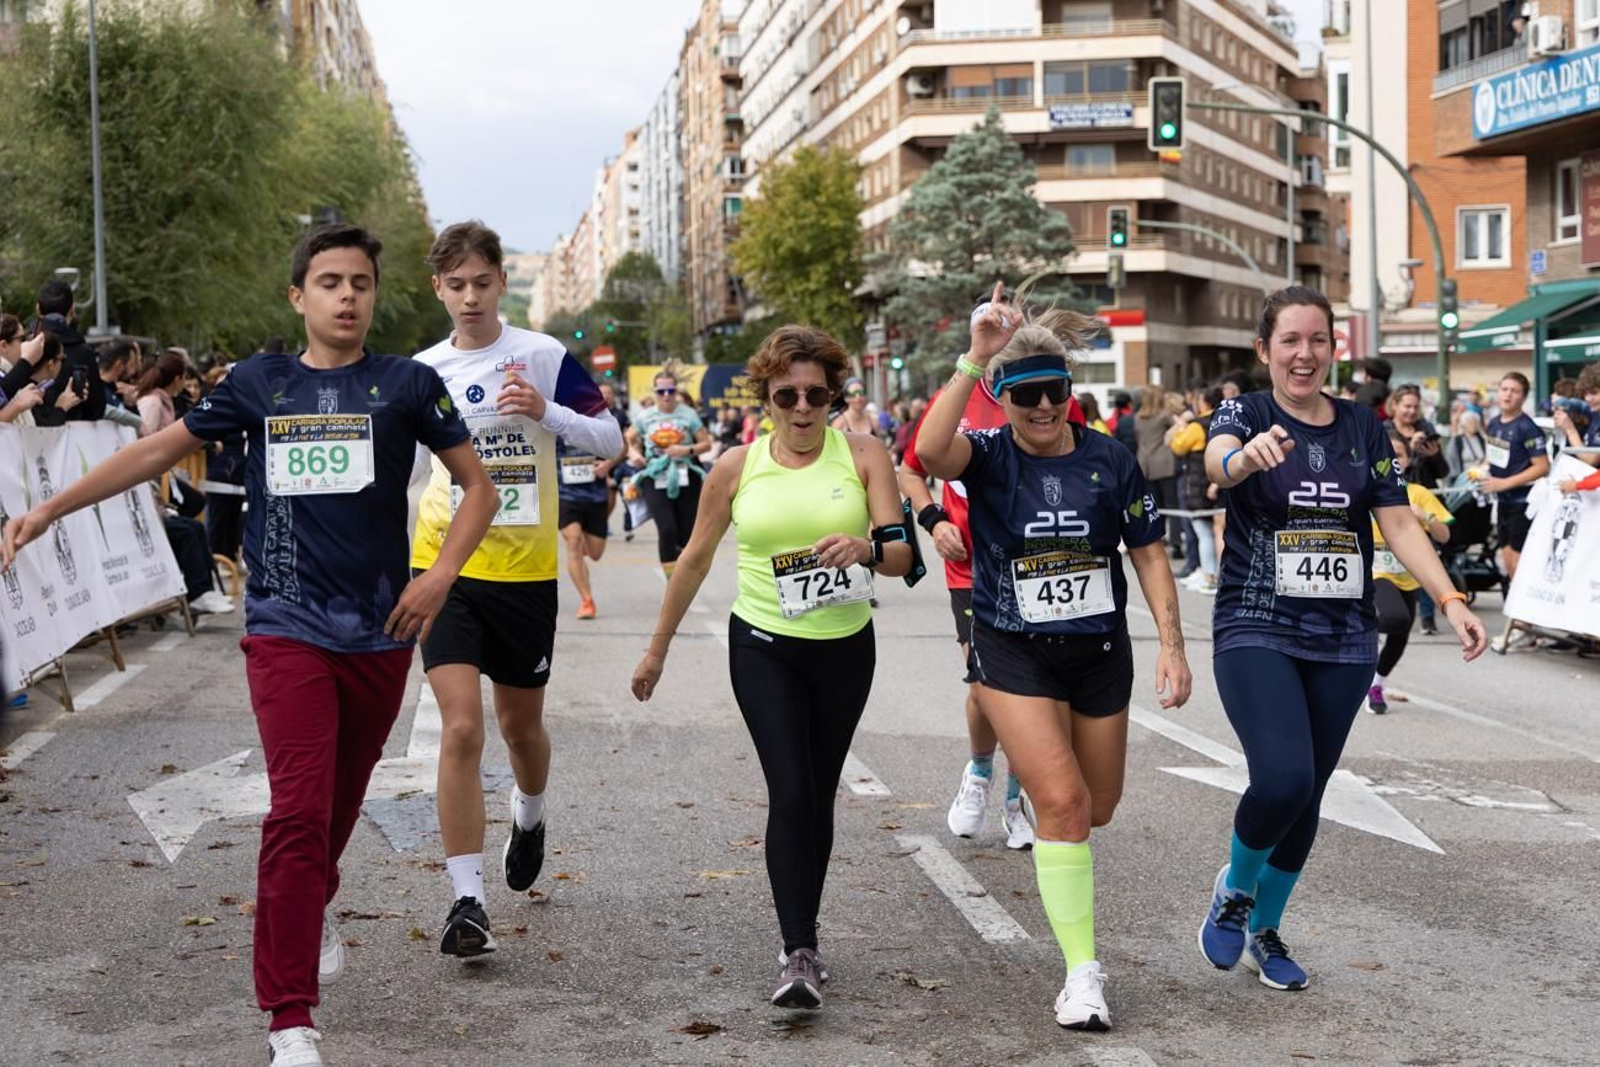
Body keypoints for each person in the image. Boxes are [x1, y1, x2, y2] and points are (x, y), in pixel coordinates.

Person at [2, 223, 496, 1067]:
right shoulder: (260, 384)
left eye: (362, 283)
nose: (348, 295)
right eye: (331, 281)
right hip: (284, 627)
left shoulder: (407, 384)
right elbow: (158, 447)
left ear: (375, 295)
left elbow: (477, 487)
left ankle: (312, 904)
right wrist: (49, 509)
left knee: (336, 811)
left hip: (381, 630)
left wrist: (441, 573)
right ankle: (290, 1018)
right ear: (298, 296)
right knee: (298, 811)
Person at [912, 283, 1192, 1033]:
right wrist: (975, 357)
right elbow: (929, 453)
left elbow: (1150, 554)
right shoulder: (990, 456)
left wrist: (1172, 645)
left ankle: (1046, 792)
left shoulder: (1110, 457)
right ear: (1002, 398)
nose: (1042, 408)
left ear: (1073, 392)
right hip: (1011, 652)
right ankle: (1082, 974)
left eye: (1055, 393)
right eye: (1026, 394)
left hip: (1098, 654)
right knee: (1065, 804)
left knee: (1095, 807)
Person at [1198, 286, 1486, 993]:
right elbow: (1217, 463)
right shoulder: (1245, 411)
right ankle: (1234, 889)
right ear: (1265, 349)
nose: (1305, 353)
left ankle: (1265, 929)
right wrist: (1243, 461)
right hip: (1256, 620)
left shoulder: (1362, 425)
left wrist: (1448, 597)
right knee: (1283, 776)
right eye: (1290, 340)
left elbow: (1398, 522)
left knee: (1309, 792)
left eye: (1318, 339)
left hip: (1343, 634)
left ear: (1334, 347)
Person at [631, 325, 912, 1011]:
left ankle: (802, 935)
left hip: (846, 645)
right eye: (787, 393)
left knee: (817, 794)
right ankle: (799, 949)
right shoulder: (735, 465)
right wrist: (657, 647)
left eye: (817, 393)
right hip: (762, 643)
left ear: (834, 394)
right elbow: (695, 557)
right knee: (789, 789)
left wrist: (865, 547)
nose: (804, 406)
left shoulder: (866, 453)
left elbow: (902, 556)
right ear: (766, 397)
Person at [410, 221, 622, 958]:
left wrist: (546, 413)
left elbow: (613, 440)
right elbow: (408, 474)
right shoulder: (422, 368)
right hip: (445, 565)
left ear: (502, 281)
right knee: (461, 726)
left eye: (481, 283)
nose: (469, 298)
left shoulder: (543, 354)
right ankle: (467, 901)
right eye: (455, 285)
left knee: (519, 729)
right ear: (438, 288)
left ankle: (529, 812)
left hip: (525, 571)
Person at [899, 292, 1086, 852]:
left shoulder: (1055, 400)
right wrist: (934, 523)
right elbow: (912, 471)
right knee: (987, 687)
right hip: (972, 569)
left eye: (1014, 327)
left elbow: (1080, 464)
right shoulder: (957, 397)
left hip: (1038, 566)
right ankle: (980, 771)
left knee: (1039, 692)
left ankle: (1016, 797)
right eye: (994, 327)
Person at [1367, 429, 1454, 713]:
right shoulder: (1362, 489)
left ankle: (1376, 685)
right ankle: (1351, 628)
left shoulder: (1418, 493)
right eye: (1387, 452)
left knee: (1400, 632)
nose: (1393, 458)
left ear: (1405, 460)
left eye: (1399, 454)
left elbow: (1444, 537)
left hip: (1408, 575)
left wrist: (1424, 516)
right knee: (1394, 618)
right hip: (1374, 571)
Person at [626, 369, 712, 576]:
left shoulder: (688, 414)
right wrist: (634, 453)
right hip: (654, 474)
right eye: (661, 391)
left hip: (685, 475)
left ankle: (683, 572)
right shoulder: (645, 416)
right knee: (666, 529)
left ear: (676, 391)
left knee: (685, 534)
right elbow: (628, 439)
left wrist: (685, 450)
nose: (666, 395)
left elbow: (706, 443)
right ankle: (671, 580)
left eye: (670, 391)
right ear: (655, 392)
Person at [1477, 372, 1549, 582]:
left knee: (1519, 566)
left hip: (1523, 502)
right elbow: (1492, 458)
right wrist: (1480, 470)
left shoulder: (1527, 427)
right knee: (1508, 564)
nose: (1508, 395)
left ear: (1523, 397)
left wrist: (1505, 483)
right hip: (1502, 503)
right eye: (1504, 389)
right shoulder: (1493, 424)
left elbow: (1542, 466)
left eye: (1514, 391)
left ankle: (1522, 613)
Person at [557, 433, 622, 619]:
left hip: (595, 496)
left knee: (595, 554)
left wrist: (608, 464)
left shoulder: (595, 417)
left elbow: (621, 445)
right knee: (573, 542)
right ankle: (587, 600)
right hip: (564, 495)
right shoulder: (554, 418)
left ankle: (581, 549)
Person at [1169, 385, 1224, 594]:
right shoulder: (1225, 422)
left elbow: (1178, 446)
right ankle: (1211, 573)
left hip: (1199, 482)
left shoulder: (1197, 425)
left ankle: (1208, 574)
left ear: (1204, 403)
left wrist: (1181, 428)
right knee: (1217, 531)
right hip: (1219, 482)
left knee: (1203, 532)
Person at [34, 278, 106, 422]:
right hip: (72, 437)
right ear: (72, 310)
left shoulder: (24, 347)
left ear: (38, 309)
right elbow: (96, 409)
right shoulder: (83, 352)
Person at [1134, 387, 1181, 563]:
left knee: (1155, 508)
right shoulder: (1164, 415)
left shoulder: (1138, 418)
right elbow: (1181, 426)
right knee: (1172, 505)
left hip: (1145, 464)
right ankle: (1176, 543)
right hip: (1164, 463)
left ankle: (1157, 542)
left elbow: (1138, 440)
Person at [135, 350, 190, 438]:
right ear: (177, 379)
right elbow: (145, 437)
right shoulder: (153, 402)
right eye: (184, 377)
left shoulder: (164, 400)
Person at [1552, 363, 1600, 452]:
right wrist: (1563, 402)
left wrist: (1569, 429)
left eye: (1594, 393)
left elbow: (1591, 459)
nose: (1588, 398)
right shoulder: (1596, 412)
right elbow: (1581, 405)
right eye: (1585, 393)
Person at [1446, 409, 1488, 483]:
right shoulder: (1458, 440)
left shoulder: (1482, 439)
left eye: (1475, 422)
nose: (1474, 424)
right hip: (1464, 479)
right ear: (1464, 424)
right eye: (1470, 422)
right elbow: (1450, 458)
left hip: (1482, 477)